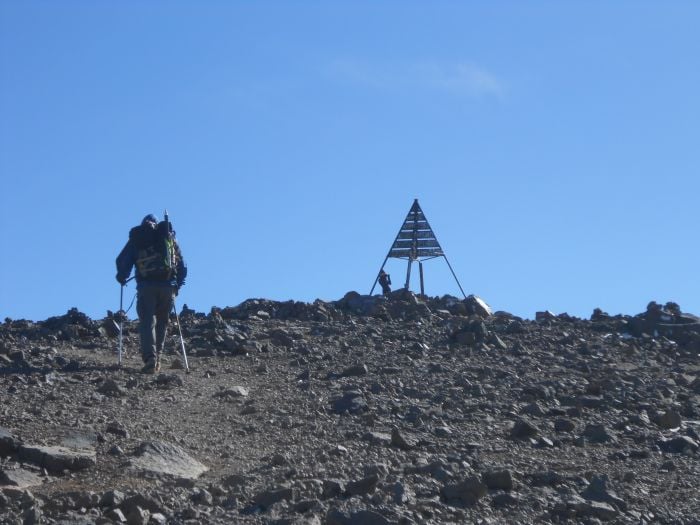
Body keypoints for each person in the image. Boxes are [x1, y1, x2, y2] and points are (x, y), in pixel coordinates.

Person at [116, 214, 187, 373]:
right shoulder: (168, 239)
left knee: (147, 321)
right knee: (162, 322)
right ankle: (158, 359)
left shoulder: (138, 238)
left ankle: (150, 357)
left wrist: (122, 276)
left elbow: (123, 260)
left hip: (146, 286)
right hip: (168, 287)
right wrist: (177, 286)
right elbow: (183, 266)